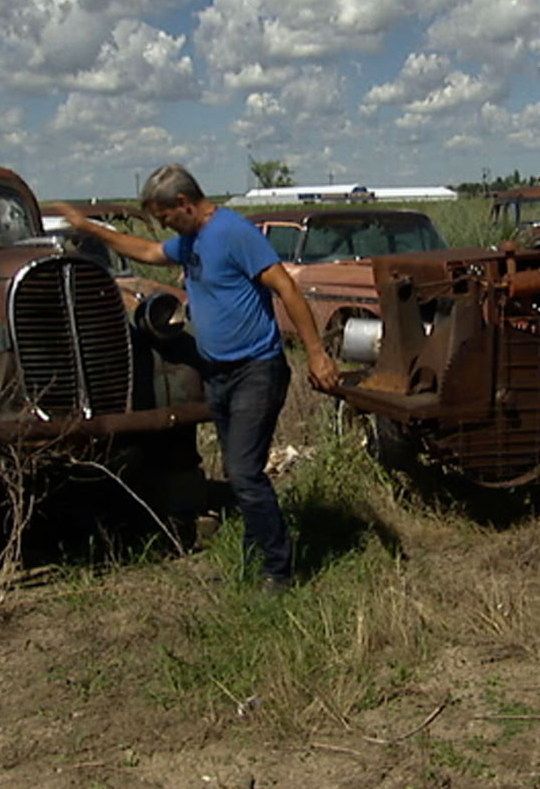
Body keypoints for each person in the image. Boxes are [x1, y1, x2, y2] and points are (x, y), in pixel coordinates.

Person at [64, 165, 338, 592]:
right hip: (220, 373)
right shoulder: (192, 239)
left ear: (184, 203)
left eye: (166, 217)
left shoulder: (233, 233)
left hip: (256, 369)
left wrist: (317, 354)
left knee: (245, 473)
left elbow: (287, 288)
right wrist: (90, 229)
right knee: (237, 471)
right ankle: (255, 553)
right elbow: (150, 252)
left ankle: (278, 570)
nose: (163, 225)